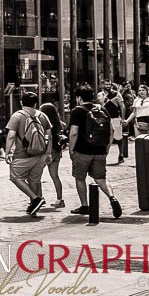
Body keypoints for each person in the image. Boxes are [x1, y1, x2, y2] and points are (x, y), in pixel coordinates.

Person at [67, 86, 123, 219]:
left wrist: (71, 149)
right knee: (101, 178)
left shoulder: (77, 111)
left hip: (82, 151)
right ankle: (112, 197)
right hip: (100, 150)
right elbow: (111, 131)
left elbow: (74, 132)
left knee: (80, 178)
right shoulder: (102, 109)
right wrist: (107, 148)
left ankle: (84, 205)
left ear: (79, 98)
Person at [6, 92, 52, 217]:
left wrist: (7, 152)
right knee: (34, 180)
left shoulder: (17, 116)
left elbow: (11, 136)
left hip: (22, 154)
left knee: (15, 177)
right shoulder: (43, 116)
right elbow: (49, 135)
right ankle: (34, 207)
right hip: (40, 154)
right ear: (36, 104)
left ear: (21, 102)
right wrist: (48, 153)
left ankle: (35, 199)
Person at [38, 95, 67, 209]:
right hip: (57, 151)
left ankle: (39, 198)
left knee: (36, 175)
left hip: (47, 151)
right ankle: (60, 199)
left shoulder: (44, 124)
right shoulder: (59, 124)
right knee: (55, 176)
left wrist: (47, 152)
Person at [100, 88, 126, 165]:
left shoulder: (116, 94)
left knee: (119, 137)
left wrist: (123, 118)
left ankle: (121, 155)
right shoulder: (101, 94)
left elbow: (122, 106)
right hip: (105, 119)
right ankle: (103, 157)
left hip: (115, 118)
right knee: (105, 138)